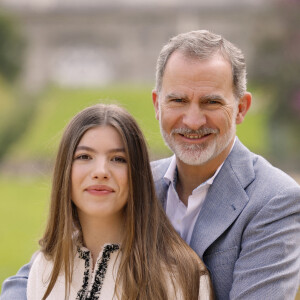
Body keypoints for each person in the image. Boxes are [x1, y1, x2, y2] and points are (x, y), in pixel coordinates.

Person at [1, 29, 300, 299]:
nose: (193, 121)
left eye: (211, 102)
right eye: (178, 101)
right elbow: (43, 273)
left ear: (241, 108)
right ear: (157, 105)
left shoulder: (275, 199)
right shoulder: (133, 182)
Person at [22, 103, 213, 299]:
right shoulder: (46, 267)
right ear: (65, 171)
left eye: (118, 159)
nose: (101, 172)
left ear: (138, 175)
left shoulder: (180, 276)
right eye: (84, 156)